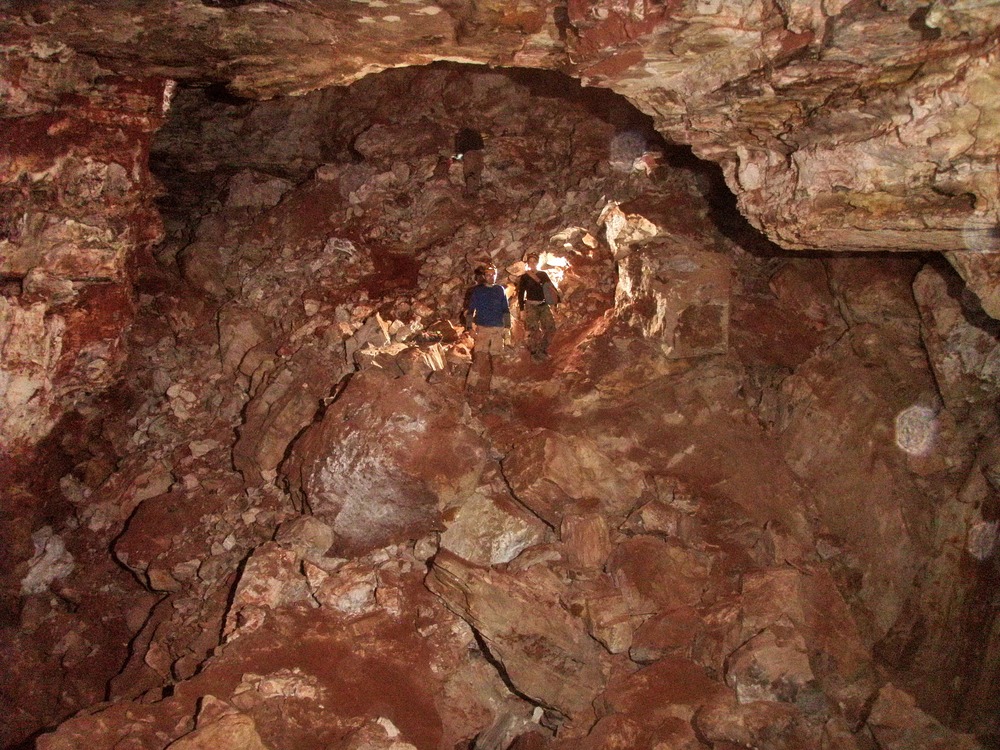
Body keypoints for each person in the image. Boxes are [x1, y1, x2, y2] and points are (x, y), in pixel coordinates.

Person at [465, 264, 510, 395]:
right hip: (483, 329)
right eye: (488, 275)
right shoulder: (478, 291)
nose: (491, 277)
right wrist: (469, 328)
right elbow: (470, 311)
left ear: (496, 275)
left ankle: (495, 388)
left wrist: (507, 327)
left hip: (497, 329)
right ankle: (470, 386)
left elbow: (505, 310)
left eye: (493, 274)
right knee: (479, 358)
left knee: (496, 360)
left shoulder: (500, 290)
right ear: (484, 276)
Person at [517, 253, 557, 361]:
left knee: (551, 328)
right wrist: (521, 310)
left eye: (534, 262)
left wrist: (554, 305)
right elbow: (521, 294)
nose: (532, 264)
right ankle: (534, 353)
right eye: (530, 262)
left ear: (537, 262)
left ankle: (543, 349)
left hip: (543, 304)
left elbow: (550, 289)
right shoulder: (525, 277)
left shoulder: (543, 275)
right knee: (532, 330)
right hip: (531, 305)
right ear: (528, 264)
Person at [454, 128, 485, 197]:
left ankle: (470, 192)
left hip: (469, 154)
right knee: (477, 173)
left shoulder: (460, 135)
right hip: (478, 154)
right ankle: (474, 191)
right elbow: (482, 145)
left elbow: (458, 149)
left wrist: (458, 157)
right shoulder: (476, 132)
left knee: (469, 173)